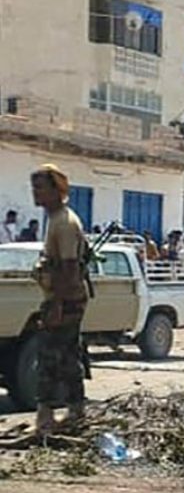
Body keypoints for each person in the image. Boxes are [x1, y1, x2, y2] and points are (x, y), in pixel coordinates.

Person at [28, 165, 89, 433]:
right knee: (66, 357)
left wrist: (56, 305)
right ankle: (75, 412)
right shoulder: (56, 219)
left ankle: (46, 418)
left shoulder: (64, 222)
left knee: (50, 358)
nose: (36, 193)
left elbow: (68, 268)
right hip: (67, 299)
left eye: (40, 187)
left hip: (65, 299)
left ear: (57, 189)